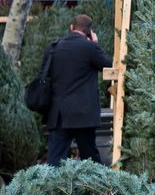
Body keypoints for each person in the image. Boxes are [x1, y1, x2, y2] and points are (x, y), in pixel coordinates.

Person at [44, 13, 113, 166]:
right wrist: (95, 44)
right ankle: (94, 189)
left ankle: (52, 188)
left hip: (58, 114)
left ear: (71, 27)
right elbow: (109, 65)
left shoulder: (53, 47)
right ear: (89, 32)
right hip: (83, 115)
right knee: (90, 159)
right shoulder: (89, 48)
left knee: (55, 160)